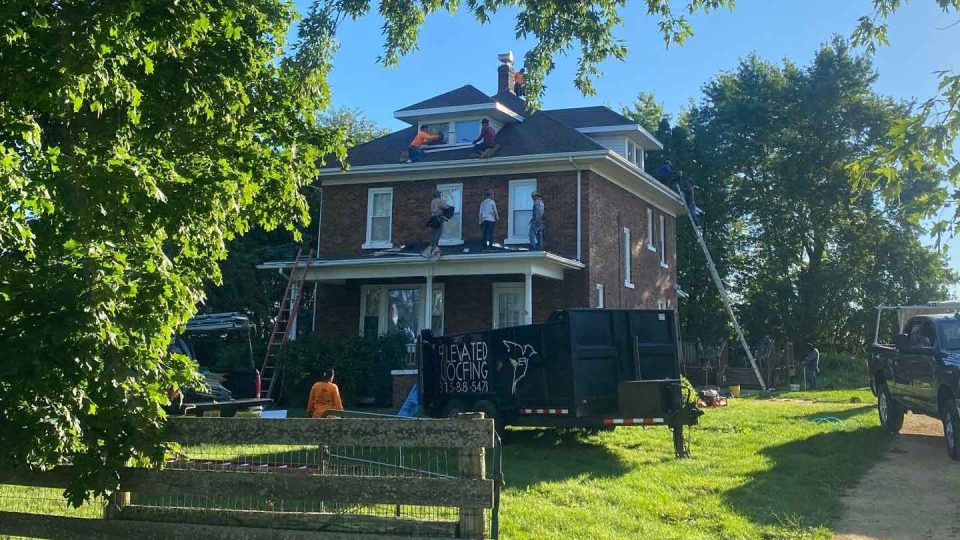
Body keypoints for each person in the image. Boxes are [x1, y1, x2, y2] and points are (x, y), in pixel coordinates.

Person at [423, 190, 451, 258]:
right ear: (438, 194)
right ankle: (435, 248)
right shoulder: (440, 201)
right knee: (437, 233)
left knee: (432, 234)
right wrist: (450, 208)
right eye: (439, 194)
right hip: (438, 218)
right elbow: (446, 207)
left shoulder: (432, 201)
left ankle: (431, 247)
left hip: (432, 218)